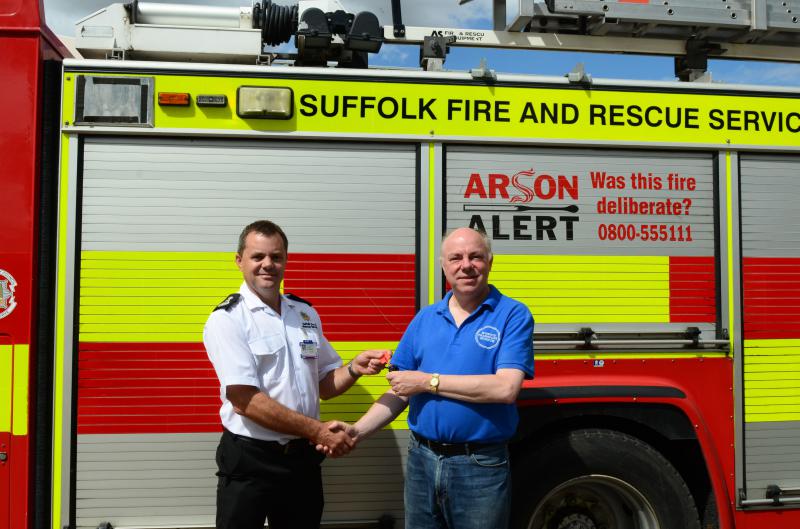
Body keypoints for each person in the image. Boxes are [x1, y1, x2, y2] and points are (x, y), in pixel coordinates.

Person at [203, 219, 389, 529]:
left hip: (301, 460)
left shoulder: (304, 314)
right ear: (239, 261)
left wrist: (354, 368)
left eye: (276, 257)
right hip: (251, 460)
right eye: (257, 256)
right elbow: (245, 401)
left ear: (286, 260)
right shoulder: (228, 320)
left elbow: (324, 385)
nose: (268, 265)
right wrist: (317, 431)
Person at [348, 226, 534, 529]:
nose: (466, 265)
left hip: (479, 467)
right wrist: (355, 432)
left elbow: (505, 388)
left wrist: (427, 382)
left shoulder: (512, 314)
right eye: (456, 257)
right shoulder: (425, 318)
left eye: (476, 256)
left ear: (490, 261)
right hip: (422, 460)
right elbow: (400, 390)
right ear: (444, 266)